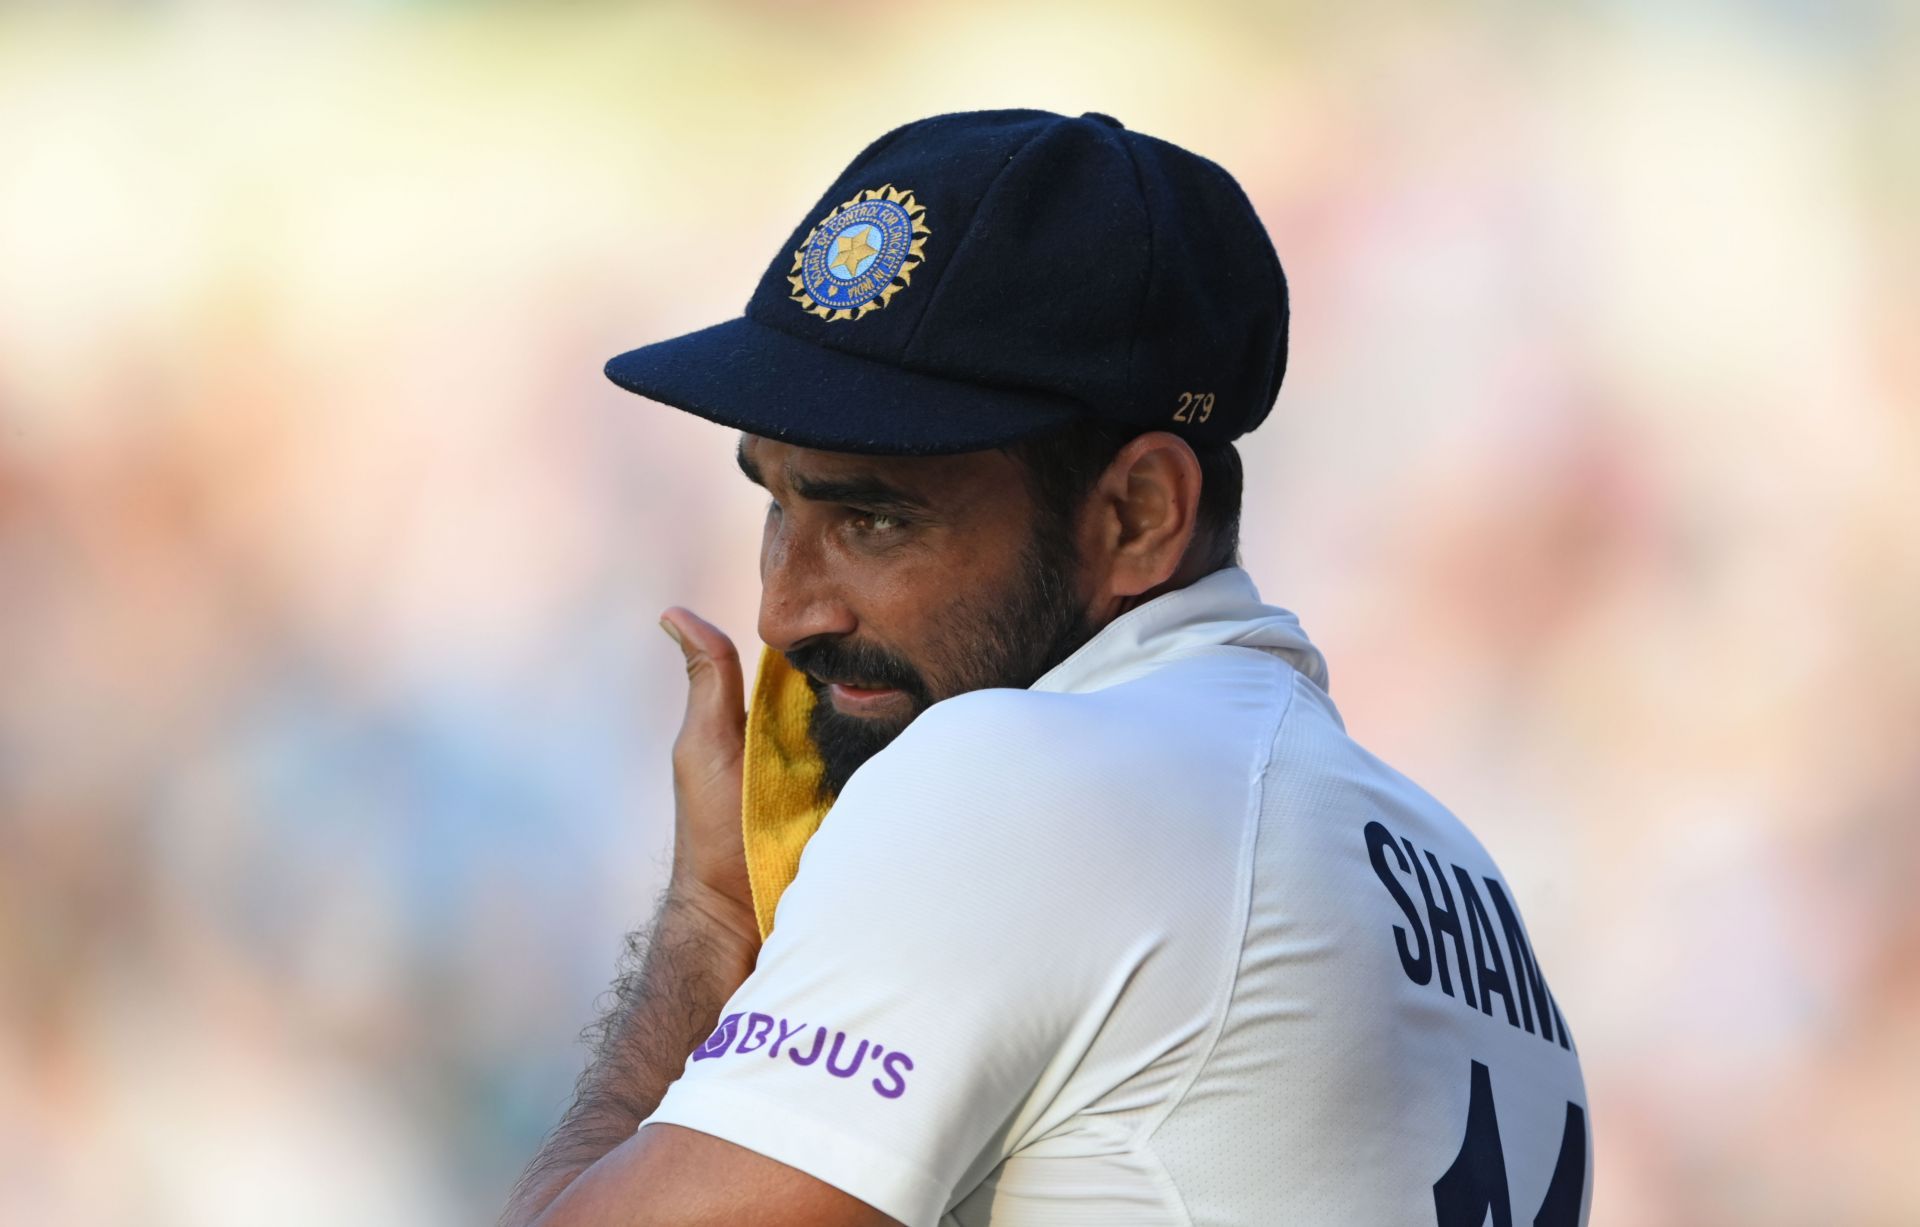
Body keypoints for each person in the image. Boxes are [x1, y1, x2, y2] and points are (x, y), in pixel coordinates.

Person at [501, 108, 1591, 1227]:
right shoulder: (1455, 869)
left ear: (1138, 515)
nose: (785, 611)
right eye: (777, 504)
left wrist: (709, 917)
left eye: (874, 518)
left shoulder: (1021, 772)